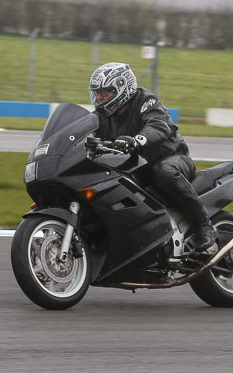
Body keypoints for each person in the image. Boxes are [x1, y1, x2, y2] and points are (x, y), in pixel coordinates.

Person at [88, 62, 217, 253]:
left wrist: (136, 141)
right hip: (138, 167)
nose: (99, 98)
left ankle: (203, 225)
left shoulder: (145, 101)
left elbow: (157, 125)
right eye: (97, 93)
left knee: (163, 172)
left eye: (105, 93)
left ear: (122, 88)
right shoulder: (102, 115)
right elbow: (85, 129)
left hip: (172, 158)